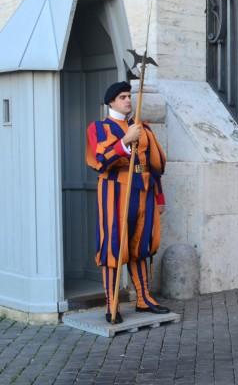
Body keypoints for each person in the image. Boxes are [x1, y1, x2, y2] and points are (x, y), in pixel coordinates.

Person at [86, 81, 170, 324]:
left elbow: (155, 167)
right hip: (115, 195)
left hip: (143, 194)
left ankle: (144, 299)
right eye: (122, 97)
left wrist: (160, 197)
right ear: (110, 101)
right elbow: (100, 161)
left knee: (140, 247)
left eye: (128, 96)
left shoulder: (141, 127)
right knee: (113, 247)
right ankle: (111, 305)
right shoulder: (99, 128)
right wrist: (124, 142)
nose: (127, 100)